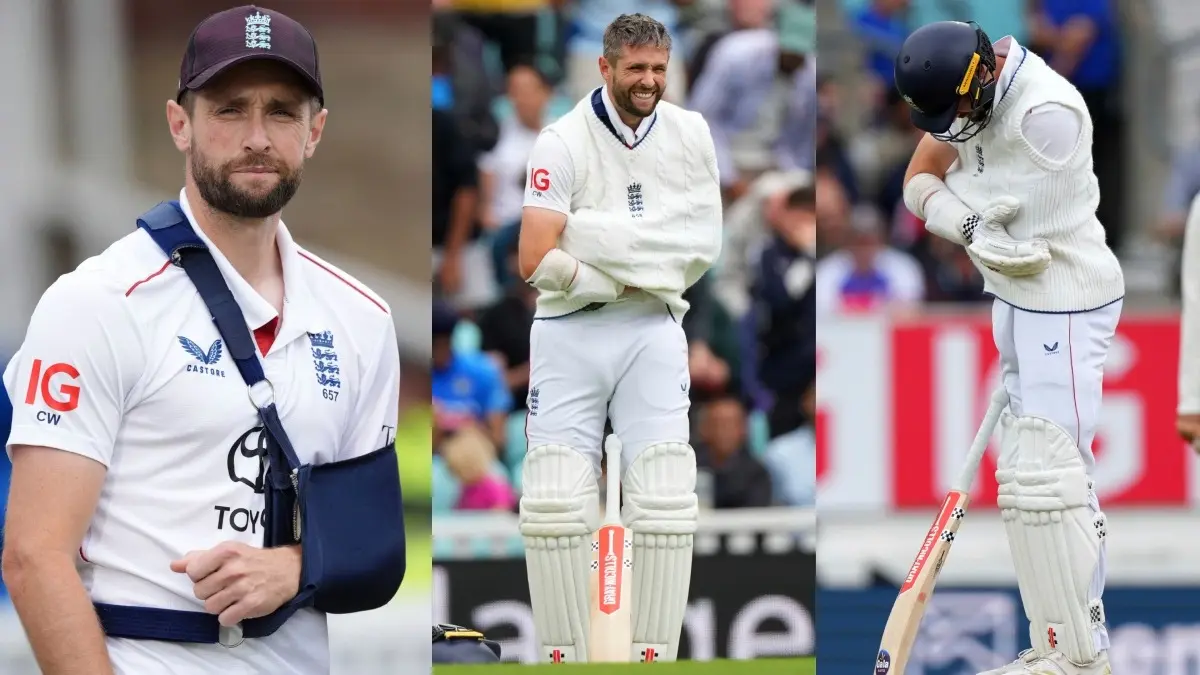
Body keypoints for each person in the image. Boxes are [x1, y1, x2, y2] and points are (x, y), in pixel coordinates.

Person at [1, 7, 401, 674]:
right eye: (228, 108)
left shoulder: (363, 316)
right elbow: (33, 556)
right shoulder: (96, 302)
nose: (255, 136)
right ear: (179, 124)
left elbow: (374, 548)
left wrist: (297, 566)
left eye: (281, 111)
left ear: (315, 131)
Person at [895, 20, 1124, 675]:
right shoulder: (967, 91)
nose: (947, 128)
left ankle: (1085, 650)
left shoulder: (1047, 118)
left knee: (1056, 476)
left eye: (954, 111)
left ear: (984, 79)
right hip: (1016, 299)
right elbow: (919, 182)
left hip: (1066, 296)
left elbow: (1017, 231)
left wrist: (963, 219)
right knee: (1024, 479)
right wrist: (966, 224)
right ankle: (1053, 641)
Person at [516, 13, 723, 663]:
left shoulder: (691, 134)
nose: (649, 81)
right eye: (635, 68)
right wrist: (630, 265)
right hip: (570, 327)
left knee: (664, 497)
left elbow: (702, 247)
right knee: (553, 500)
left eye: (658, 69)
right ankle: (564, 656)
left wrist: (594, 237)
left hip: (654, 324)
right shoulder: (562, 140)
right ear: (604, 68)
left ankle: (650, 657)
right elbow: (533, 257)